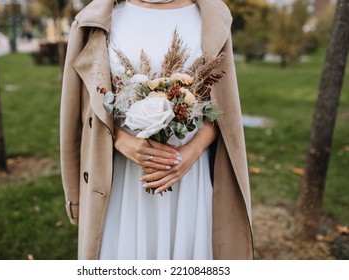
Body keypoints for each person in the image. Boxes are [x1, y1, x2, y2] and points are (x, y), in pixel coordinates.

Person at [60, 0, 253, 260]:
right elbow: (81, 111)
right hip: (123, 180)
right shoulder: (95, 20)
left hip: (188, 180)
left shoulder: (212, 16)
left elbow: (223, 108)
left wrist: (189, 154)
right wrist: (120, 140)